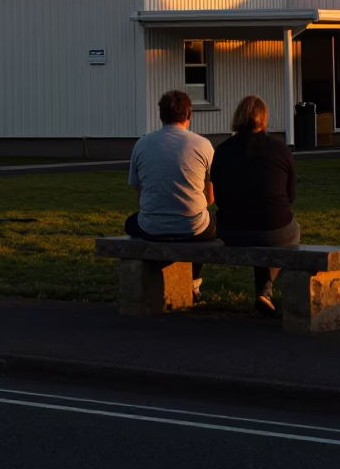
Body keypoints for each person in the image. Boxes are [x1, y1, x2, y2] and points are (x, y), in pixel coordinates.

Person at [210, 95, 299, 315]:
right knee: (290, 230)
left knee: (260, 228)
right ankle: (266, 290)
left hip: (232, 230)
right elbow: (291, 195)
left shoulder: (222, 150)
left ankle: (264, 292)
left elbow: (218, 195)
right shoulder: (280, 150)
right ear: (264, 118)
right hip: (274, 228)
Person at [125, 90, 217, 301]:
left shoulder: (142, 144)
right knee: (204, 220)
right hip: (193, 227)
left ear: (161, 115)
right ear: (189, 115)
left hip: (152, 226)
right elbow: (210, 199)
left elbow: (138, 188)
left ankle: (154, 282)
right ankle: (194, 285)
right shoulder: (203, 145)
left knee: (131, 223)